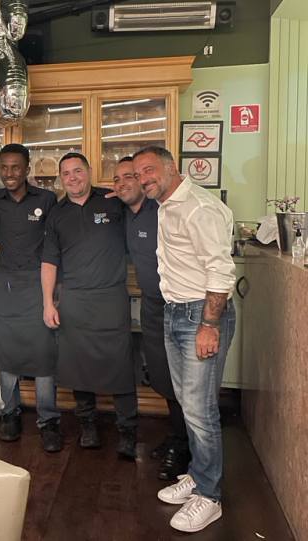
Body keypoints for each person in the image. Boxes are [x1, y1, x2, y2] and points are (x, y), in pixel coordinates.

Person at [132, 146, 236, 533]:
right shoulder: (166, 205)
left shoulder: (198, 207)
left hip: (200, 315)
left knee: (200, 409)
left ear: (171, 167)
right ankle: (198, 474)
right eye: (138, 174)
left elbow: (220, 271)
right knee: (187, 403)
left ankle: (209, 496)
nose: (143, 179)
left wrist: (209, 324)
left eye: (149, 170)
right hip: (175, 310)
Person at [41, 152, 138, 458]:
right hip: (75, 300)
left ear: (89, 171)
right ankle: (88, 426)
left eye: (78, 171)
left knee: (121, 366)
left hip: (111, 297)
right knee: (78, 366)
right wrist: (48, 303)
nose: (72, 178)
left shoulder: (112, 202)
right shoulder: (56, 214)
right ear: (61, 178)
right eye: (66, 173)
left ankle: (127, 430)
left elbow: (143, 205)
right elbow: (49, 262)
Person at [113, 156, 190, 479]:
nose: (123, 183)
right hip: (152, 305)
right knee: (161, 375)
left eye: (130, 176)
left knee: (183, 380)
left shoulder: (161, 209)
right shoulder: (124, 214)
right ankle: (178, 436)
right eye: (117, 179)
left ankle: (186, 449)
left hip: (180, 306)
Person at [0, 144, 62, 452]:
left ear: (27, 169)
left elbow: (57, 238)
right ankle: (10, 413)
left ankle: (48, 420)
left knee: (44, 353)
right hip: (7, 286)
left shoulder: (46, 199)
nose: (9, 173)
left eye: (16, 167)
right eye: (4, 167)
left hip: (39, 285)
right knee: (8, 352)